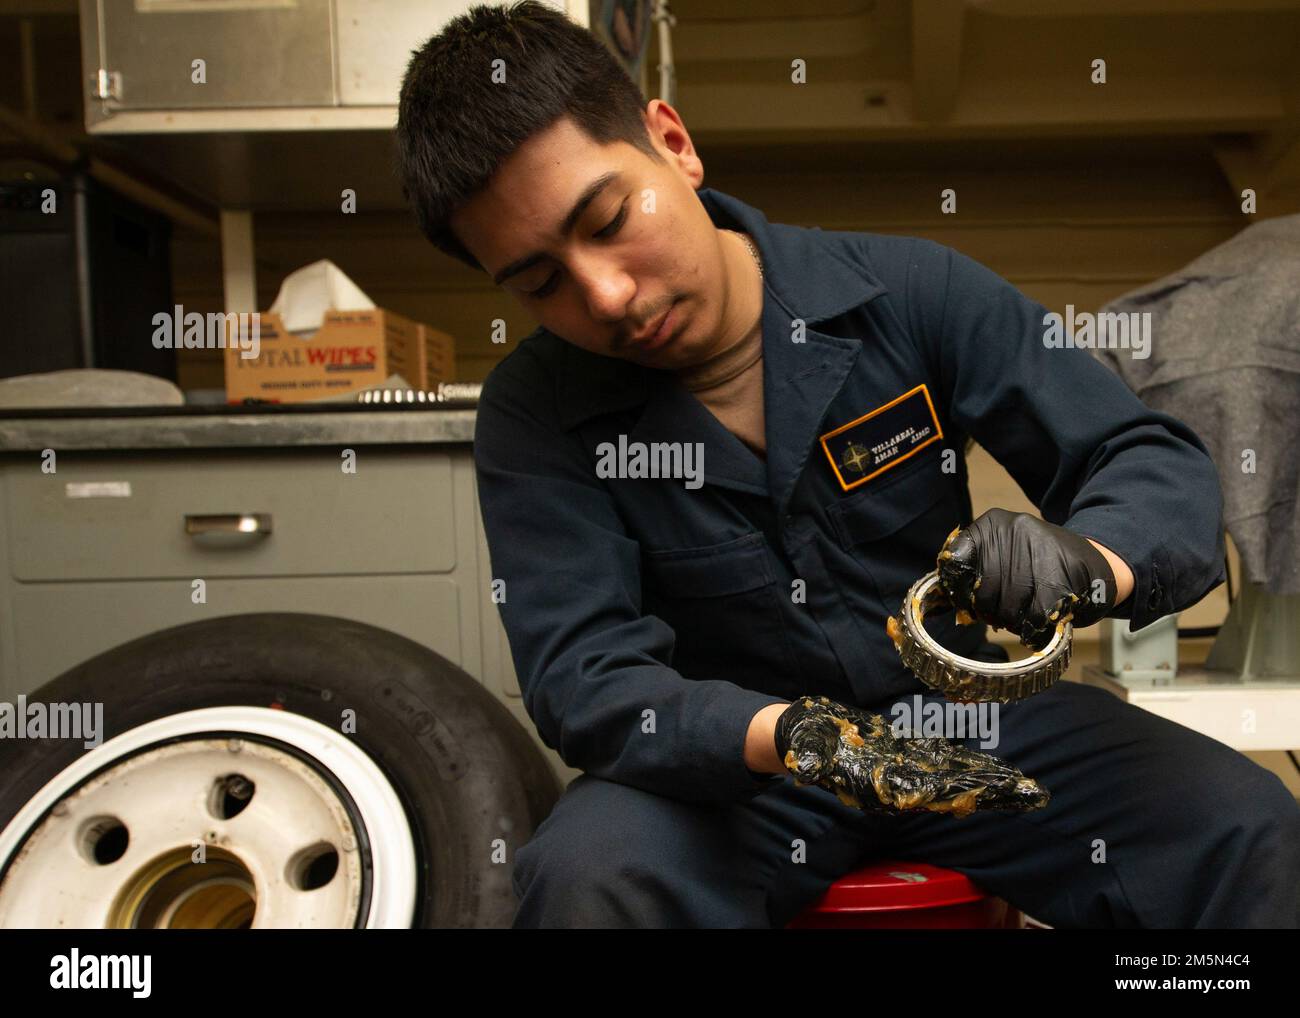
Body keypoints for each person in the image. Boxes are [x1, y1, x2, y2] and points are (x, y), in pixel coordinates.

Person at [395, 1, 1300, 928]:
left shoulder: (913, 293)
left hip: (970, 724)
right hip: (736, 771)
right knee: (589, 880)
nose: (607, 294)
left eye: (610, 218)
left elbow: (1139, 454)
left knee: (1245, 828)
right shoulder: (533, 412)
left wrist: (1086, 564)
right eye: (541, 284)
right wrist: (803, 739)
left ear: (673, 142)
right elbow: (583, 671)